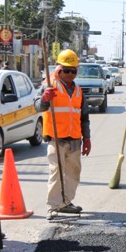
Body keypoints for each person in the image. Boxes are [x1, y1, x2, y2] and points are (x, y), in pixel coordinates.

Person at [36, 49, 92, 219]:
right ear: (59, 69)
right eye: (66, 70)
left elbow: (84, 117)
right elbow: (37, 106)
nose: (69, 74)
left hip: (74, 139)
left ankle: (65, 202)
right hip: (56, 138)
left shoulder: (78, 91)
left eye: (73, 70)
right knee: (56, 172)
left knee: (73, 173)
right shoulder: (49, 85)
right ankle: (53, 206)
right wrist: (45, 98)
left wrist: (87, 138)